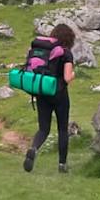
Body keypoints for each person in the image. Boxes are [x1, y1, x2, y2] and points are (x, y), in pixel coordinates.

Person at [23, 23, 78, 174]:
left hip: (42, 92)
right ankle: (62, 165)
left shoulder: (44, 50)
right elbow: (67, 78)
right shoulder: (66, 53)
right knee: (62, 129)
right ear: (70, 38)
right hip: (59, 94)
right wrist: (74, 74)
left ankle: (33, 148)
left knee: (43, 128)